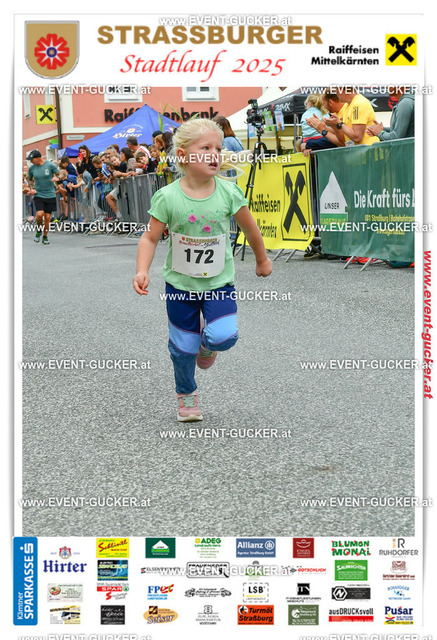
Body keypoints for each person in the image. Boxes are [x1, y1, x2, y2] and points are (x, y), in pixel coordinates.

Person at [133, 118, 272, 422]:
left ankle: (207, 346)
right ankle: (186, 392)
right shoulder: (168, 196)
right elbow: (150, 237)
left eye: (218, 149)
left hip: (218, 283)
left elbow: (250, 229)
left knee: (224, 336)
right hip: (180, 287)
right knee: (183, 348)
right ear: (183, 155)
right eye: (206, 148)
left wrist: (262, 259)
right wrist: (142, 270)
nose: (214, 155)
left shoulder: (229, 192)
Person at [25, 150, 59, 244]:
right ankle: (39, 229)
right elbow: (29, 179)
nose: (31, 161)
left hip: (50, 194)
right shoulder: (32, 168)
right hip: (39, 194)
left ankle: (45, 236)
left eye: (32, 159)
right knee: (39, 214)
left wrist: (58, 178)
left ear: (38, 158)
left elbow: (60, 173)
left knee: (47, 217)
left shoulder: (50, 165)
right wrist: (32, 188)